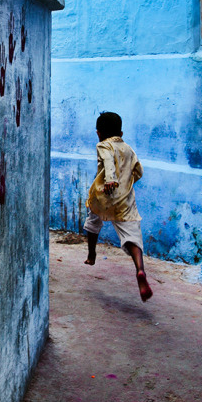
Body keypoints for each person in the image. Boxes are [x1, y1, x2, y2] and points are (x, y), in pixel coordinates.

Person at [83, 112, 153, 301]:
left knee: (93, 220)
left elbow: (107, 160)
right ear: (121, 133)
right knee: (131, 235)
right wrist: (127, 183)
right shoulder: (128, 149)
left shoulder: (103, 144)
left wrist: (111, 179)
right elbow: (138, 170)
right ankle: (139, 269)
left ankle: (91, 254)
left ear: (98, 133)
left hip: (103, 196)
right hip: (124, 199)